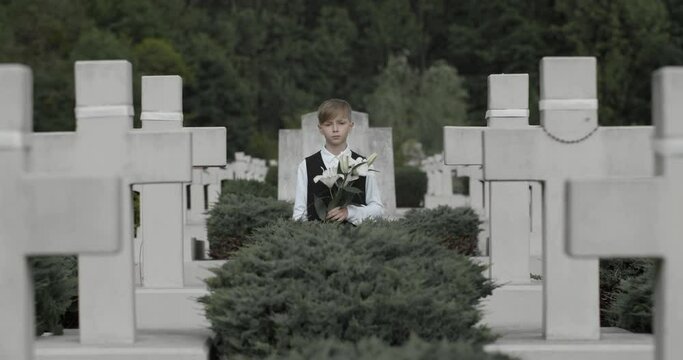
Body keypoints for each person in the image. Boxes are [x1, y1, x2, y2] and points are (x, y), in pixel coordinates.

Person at [292, 99, 384, 224]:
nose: (335, 129)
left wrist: (350, 212)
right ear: (320, 128)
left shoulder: (363, 165)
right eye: (328, 124)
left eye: (341, 123)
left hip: (356, 238)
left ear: (350, 126)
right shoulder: (306, 166)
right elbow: (299, 214)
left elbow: (378, 210)